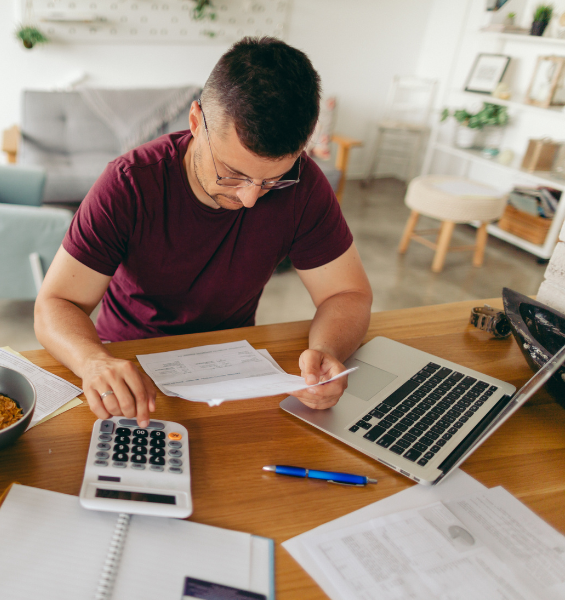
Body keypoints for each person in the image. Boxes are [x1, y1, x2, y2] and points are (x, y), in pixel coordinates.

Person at [34, 36, 373, 428]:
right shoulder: (129, 183)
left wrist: (327, 350)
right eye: (232, 175)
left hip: (232, 364)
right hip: (128, 363)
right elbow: (54, 303)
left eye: (271, 181)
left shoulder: (304, 184)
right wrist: (92, 361)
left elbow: (346, 293)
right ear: (196, 122)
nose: (249, 199)